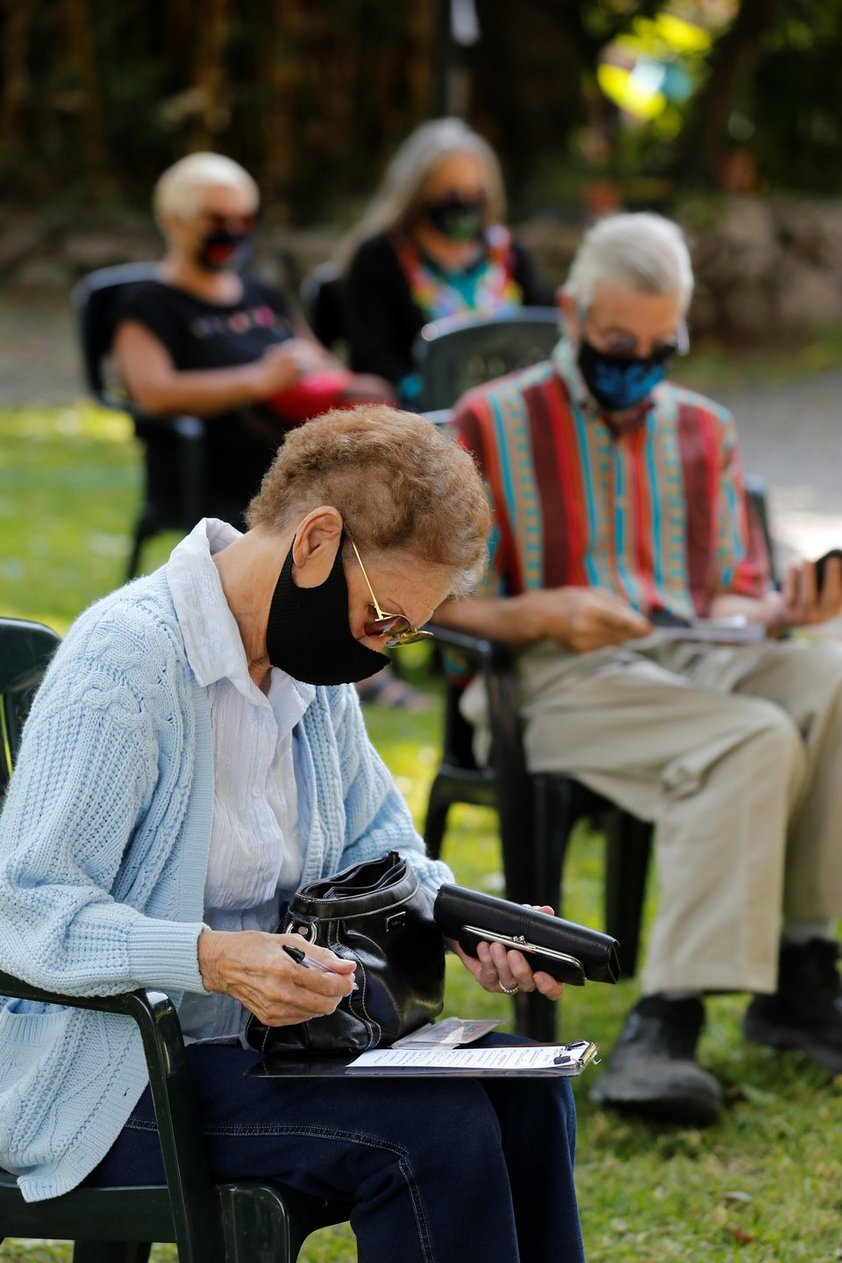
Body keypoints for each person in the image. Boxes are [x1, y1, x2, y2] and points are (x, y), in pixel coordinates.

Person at [0, 405, 585, 1263]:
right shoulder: (126, 665)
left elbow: (380, 851)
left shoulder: (310, 673)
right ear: (315, 541)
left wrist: (464, 916)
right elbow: (25, 908)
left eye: (406, 632)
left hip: (266, 1052)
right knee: (435, 1131)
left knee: (528, 1093)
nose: (383, 652)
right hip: (109, 1075)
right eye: (383, 619)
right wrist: (214, 957)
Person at [436, 212, 842, 1128]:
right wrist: (537, 611)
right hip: (554, 678)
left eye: (664, 346)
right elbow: (427, 598)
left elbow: (731, 592)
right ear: (573, 312)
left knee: (827, 677)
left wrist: (782, 611)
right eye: (619, 342)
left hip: (690, 659)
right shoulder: (489, 422)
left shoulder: (705, 427)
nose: (639, 362)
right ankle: (668, 1017)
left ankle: (803, 973)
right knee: (751, 736)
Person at [116, 151, 393, 528]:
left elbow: (320, 359)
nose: (232, 230)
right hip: (214, 470)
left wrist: (314, 372)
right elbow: (153, 392)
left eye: (243, 219)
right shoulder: (148, 303)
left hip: (301, 457)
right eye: (216, 218)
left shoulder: (262, 291)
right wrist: (257, 380)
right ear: (174, 222)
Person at [341, 117, 554, 398]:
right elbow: (372, 355)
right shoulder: (379, 258)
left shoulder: (508, 251)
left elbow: (547, 326)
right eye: (450, 192)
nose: (463, 203)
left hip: (510, 406)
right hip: (424, 418)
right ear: (418, 193)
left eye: (475, 192)